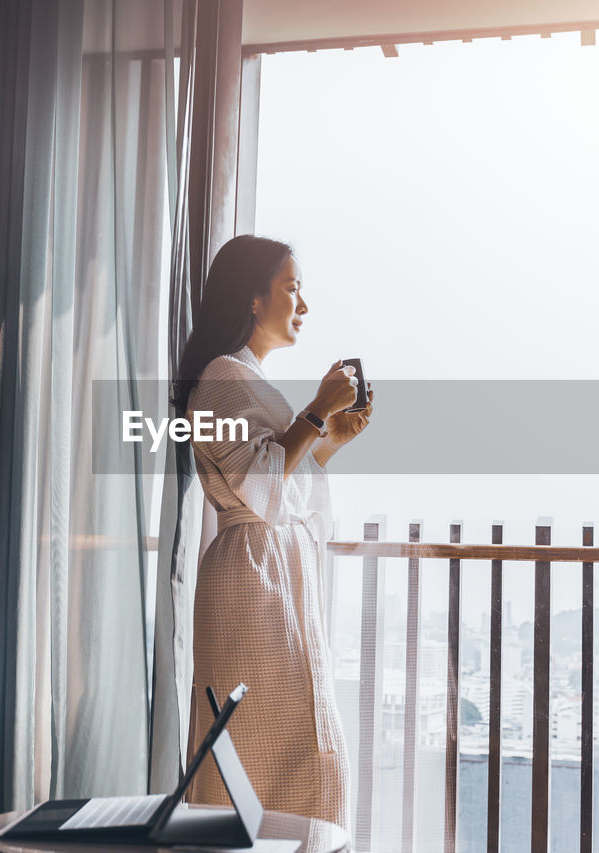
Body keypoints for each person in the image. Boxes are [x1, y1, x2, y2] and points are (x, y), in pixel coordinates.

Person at [171, 234, 374, 829]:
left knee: (299, 753)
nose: (303, 306)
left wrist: (327, 440)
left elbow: (280, 485)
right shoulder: (222, 377)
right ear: (254, 299)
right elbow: (257, 491)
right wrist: (313, 414)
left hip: (272, 577)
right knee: (276, 754)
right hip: (251, 586)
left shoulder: (247, 379)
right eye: (292, 288)